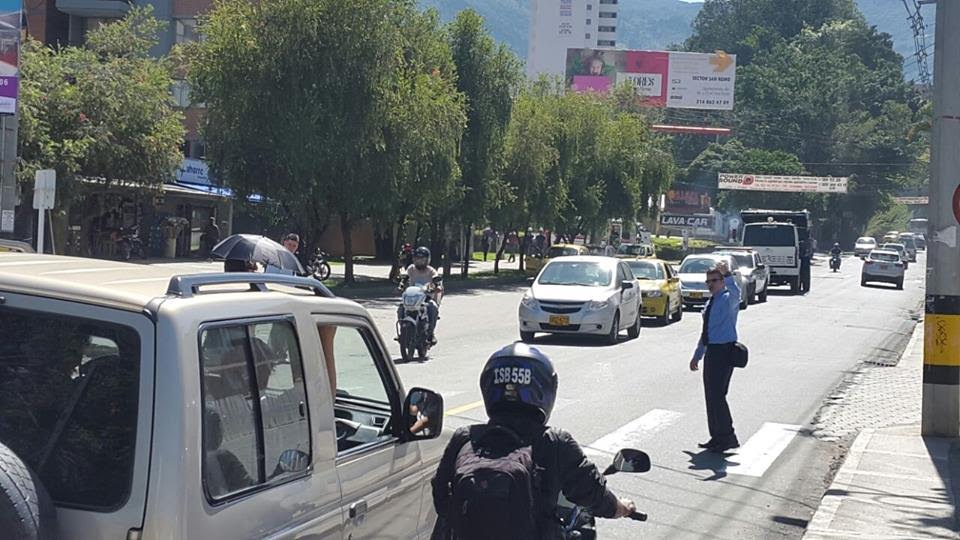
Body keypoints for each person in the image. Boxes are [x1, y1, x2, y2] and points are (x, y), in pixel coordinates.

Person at [431, 343, 636, 539]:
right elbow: (592, 492)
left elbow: (440, 495)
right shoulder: (554, 441)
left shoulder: (465, 437)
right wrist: (621, 508)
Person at [689, 260, 742, 453]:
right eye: (708, 281)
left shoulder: (728, 299)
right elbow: (706, 332)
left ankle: (728, 437)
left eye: (714, 280)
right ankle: (716, 436)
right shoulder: (710, 302)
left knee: (718, 396)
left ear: (721, 281)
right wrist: (698, 355)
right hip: (712, 350)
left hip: (724, 351)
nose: (710, 284)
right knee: (710, 396)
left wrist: (727, 274)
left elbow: (737, 294)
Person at [397, 246, 441, 344]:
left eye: (422, 259)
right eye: (417, 259)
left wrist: (437, 286)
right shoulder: (411, 268)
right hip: (412, 296)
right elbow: (404, 277)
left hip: (426, 297)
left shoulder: (431, 271)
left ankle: (430, 334)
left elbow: (436, 279)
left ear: (427, 260)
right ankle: (403, 331)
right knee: (401, 308)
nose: (419, 261)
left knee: (433, 308)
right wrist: (401, 285)